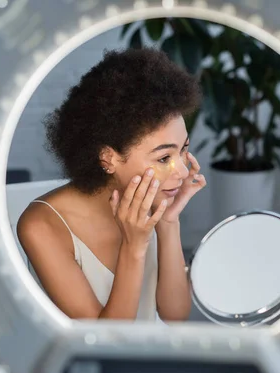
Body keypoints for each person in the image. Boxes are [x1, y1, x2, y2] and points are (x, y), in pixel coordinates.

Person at [17, 47, 205, 323]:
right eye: (164, 157)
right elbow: (105, 342)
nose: (181, 170)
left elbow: (175, 315)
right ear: (109, 158)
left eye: (183, 150)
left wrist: (168, 223)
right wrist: (133, 246)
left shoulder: (150, 203)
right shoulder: (40, 226)